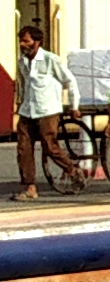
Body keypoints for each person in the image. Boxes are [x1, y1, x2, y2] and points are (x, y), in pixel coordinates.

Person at [14, 26, 85, 199]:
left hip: (48, 110)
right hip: (27, 110)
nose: (23, 44)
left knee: (50, 146)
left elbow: (70, 81)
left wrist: (75, 106)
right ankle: (30, 187)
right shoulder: (22, 62)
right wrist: (19, 104)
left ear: (37, 42)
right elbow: (22, 85)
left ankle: (72, 169)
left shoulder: (50, 59)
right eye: (21, 41)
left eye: (26, 41)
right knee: (23, 149)